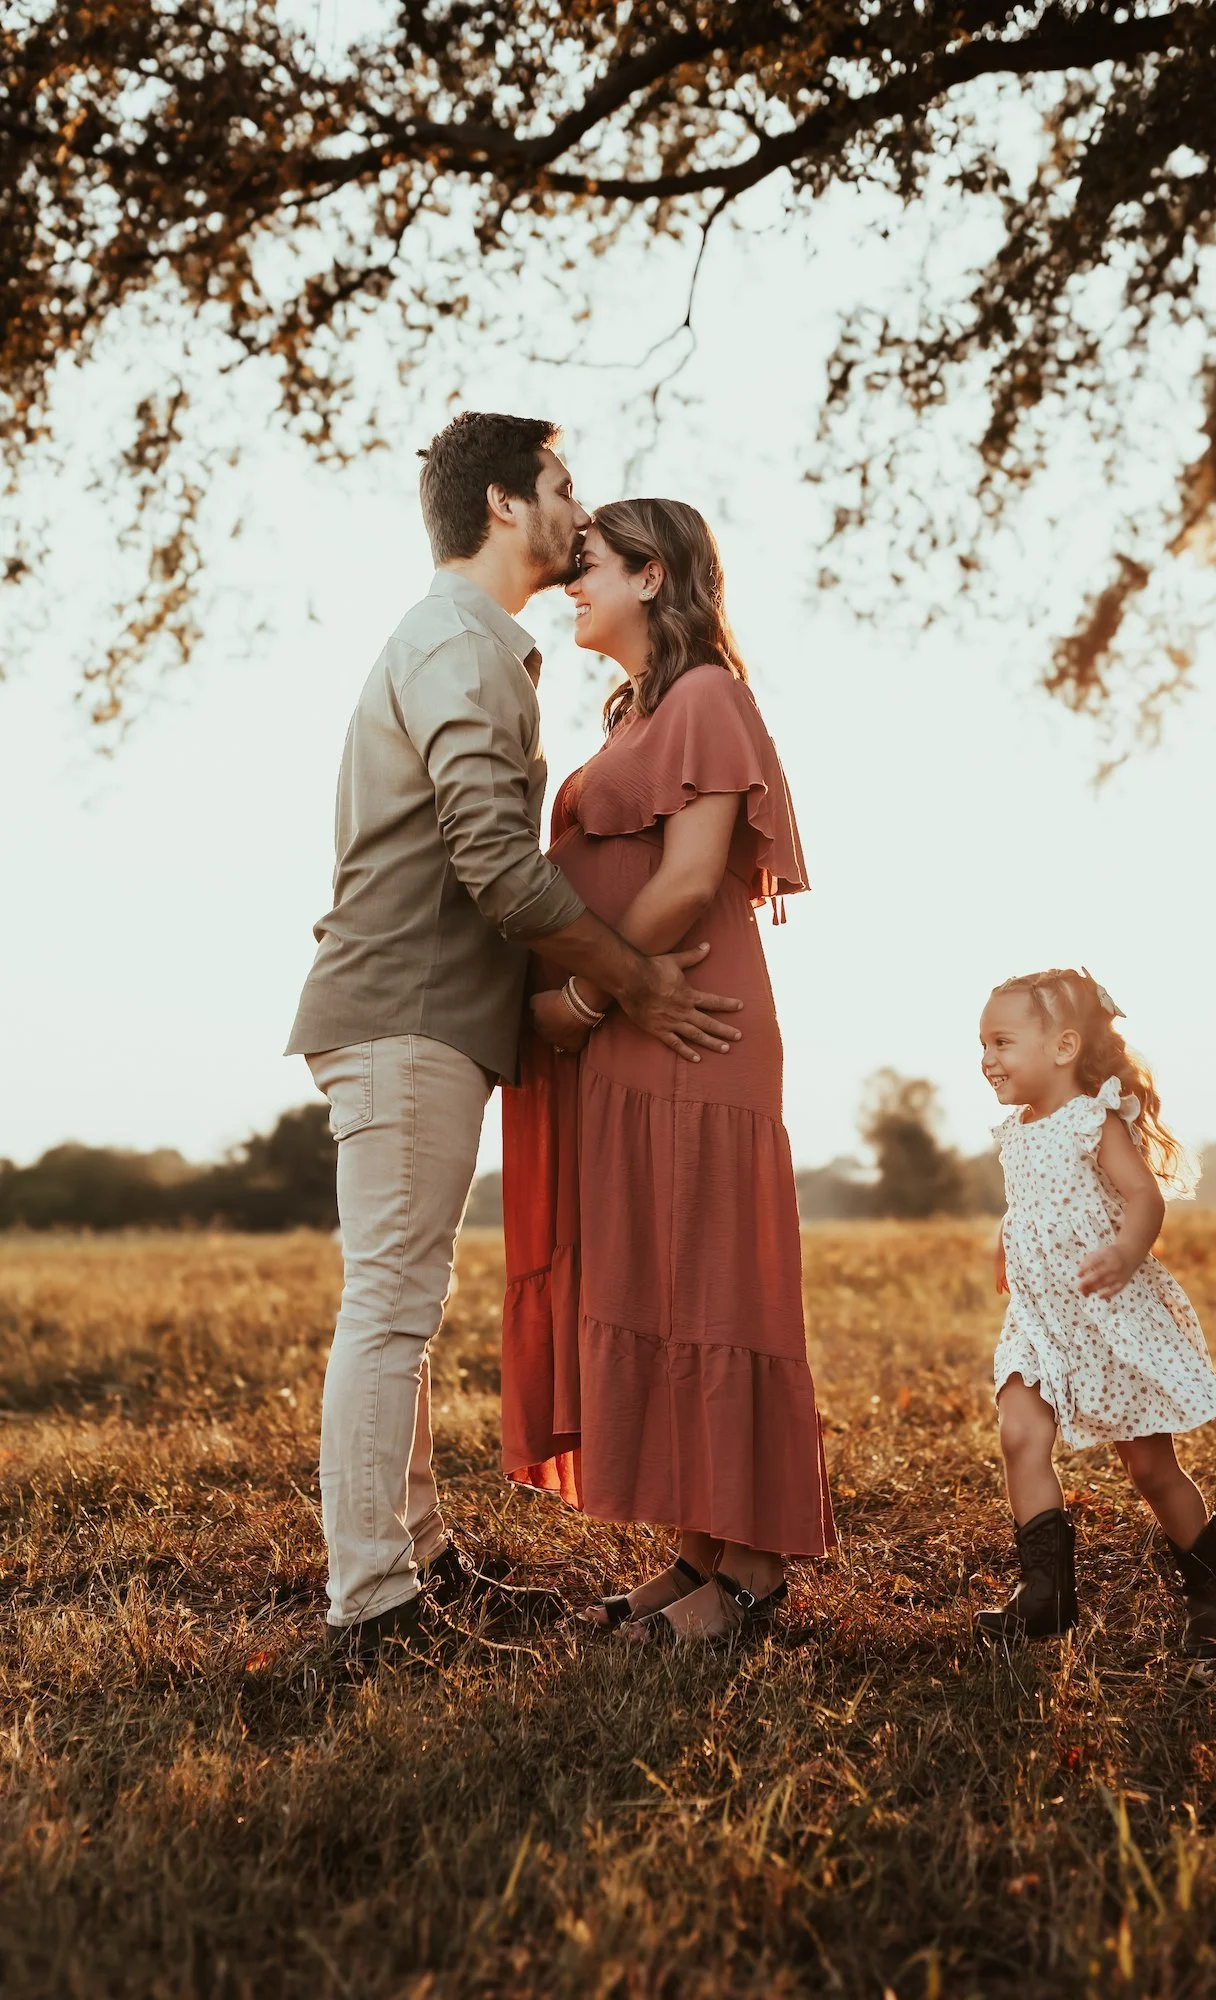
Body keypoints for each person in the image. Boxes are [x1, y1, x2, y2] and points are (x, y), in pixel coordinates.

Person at [286, 416, 745, 1662]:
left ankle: (424, 1563)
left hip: (424, 1014)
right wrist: (630, 979)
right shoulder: (455, 644)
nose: (574, 508)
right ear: (502, 504)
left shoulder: (474, 646)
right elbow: (489, 856)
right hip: (406, 1013)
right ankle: (374, 1603)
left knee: (403, 1305)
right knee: (389, 1307)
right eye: (560, 485)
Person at [500, 498, 834, 1644]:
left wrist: (587, 997)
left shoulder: (704, 698)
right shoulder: (640, 710)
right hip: (636, 1035)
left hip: (687, 1023)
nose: (566, 584)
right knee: (657, 1270)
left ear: (653, 576)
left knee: (708, 1274)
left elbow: (691, 878)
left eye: (585, 565)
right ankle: (697, 1545)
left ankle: (754, 1565)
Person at [973, 968, 1216, 1657]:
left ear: (1062, 1048)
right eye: (982, 1044)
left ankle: (1211, 1593)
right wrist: (1006, 1237)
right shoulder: (1016, 1131)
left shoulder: (1095, 1120)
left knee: (1150, 1470)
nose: (986, 1059)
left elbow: (1142, 1197)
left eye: (1001, 1042)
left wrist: (1126, 1250)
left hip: (1104, 1319)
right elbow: (1032, 1202)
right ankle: (1045, 1596)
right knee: (1018, 1434)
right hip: (1039, 1322)